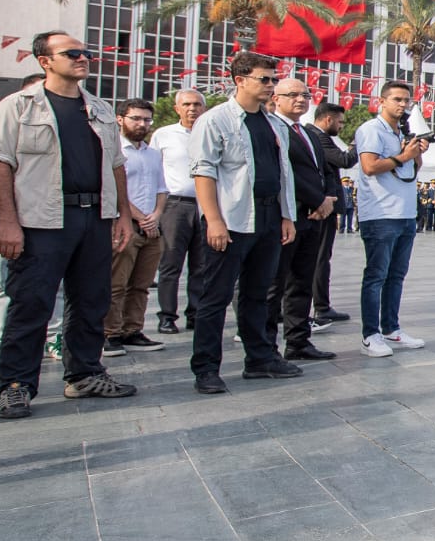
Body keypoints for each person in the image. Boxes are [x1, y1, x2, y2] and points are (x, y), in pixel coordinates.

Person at [0, 32, 140, 418]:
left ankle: (85, 374)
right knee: (31, 302)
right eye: (71, 53)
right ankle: (16, 384)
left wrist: (122, 214)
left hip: (93, 218)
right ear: (44, 61)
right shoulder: (18, 106)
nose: (82, 58)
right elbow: (0, 163)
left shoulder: (100, 108)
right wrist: (8, 221)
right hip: (41, 220)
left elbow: (116, 166)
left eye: (85, 52)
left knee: (91, 301)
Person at [185, 53, 300, 395]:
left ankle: (260, 358)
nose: (270, 86)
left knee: (259, 294)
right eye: (264, 80)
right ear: (240, 80)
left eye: (272, 80)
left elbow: (283, 175)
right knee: (215, 296)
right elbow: (203, 171)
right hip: (232, 219)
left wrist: (286, 215)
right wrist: (214, 221)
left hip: (267, 217)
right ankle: (206, 367)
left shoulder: (274, 123)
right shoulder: (216, 120)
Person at [353, 81, 431, 358]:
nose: (402, 104)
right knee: (376, 275)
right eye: (397, 99)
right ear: (382, 101)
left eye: (406, 100)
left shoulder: (402, 131)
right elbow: (370, 166)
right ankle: (370, 334)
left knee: (396, 275)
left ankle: (391, 328)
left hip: (406, 212)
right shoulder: (372, 130)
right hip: (380, 213)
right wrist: (403, 156)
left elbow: (413, 168)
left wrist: (416, 153)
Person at [267, 76, 339, 364]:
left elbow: (325, 171)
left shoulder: (308, 133)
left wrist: (328, 199)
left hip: (314, 217)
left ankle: (298, 341)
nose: (300, 99)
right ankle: (266, 348)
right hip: (287, 215)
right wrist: (317, 200)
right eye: (293, 94)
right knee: (276, 284)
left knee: (302, 281)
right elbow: (286, 174)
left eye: (305, 94)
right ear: (277, 98)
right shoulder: (273, 129)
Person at [102, 98, 167, 356]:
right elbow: (116, 190)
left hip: (152, 227)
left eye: (146, 119)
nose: (142, 124)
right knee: (116, 283)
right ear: (120, 119)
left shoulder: (152, 154)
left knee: (141, 284)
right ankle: (110, 333)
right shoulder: (114, 151)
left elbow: (162, 189)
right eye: (136, 118)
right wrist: (140, 217)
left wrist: (156, 215)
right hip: (124, 224)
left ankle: (133, 329)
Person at [150, 88, 206, 333]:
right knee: (170, 263)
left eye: (197, 105)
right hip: (175, 206)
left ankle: (196, 313)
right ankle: (167, 316)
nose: (192, 109)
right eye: (187, 105)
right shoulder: (164, 135)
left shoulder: (210, 132)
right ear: (177, 108)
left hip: (206, 206)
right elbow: (153, 171)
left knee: (202, 265)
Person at [308, 101, 354, 327]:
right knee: (319, 259)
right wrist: (358, 145)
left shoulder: (315, 135)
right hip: (321, 206)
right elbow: (344, 161)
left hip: (322, 206)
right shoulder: (319, 137)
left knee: (320, 258)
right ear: (328, 119)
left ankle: (321, 306)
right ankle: (321, 308)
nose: (341, 127)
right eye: (340, 122)